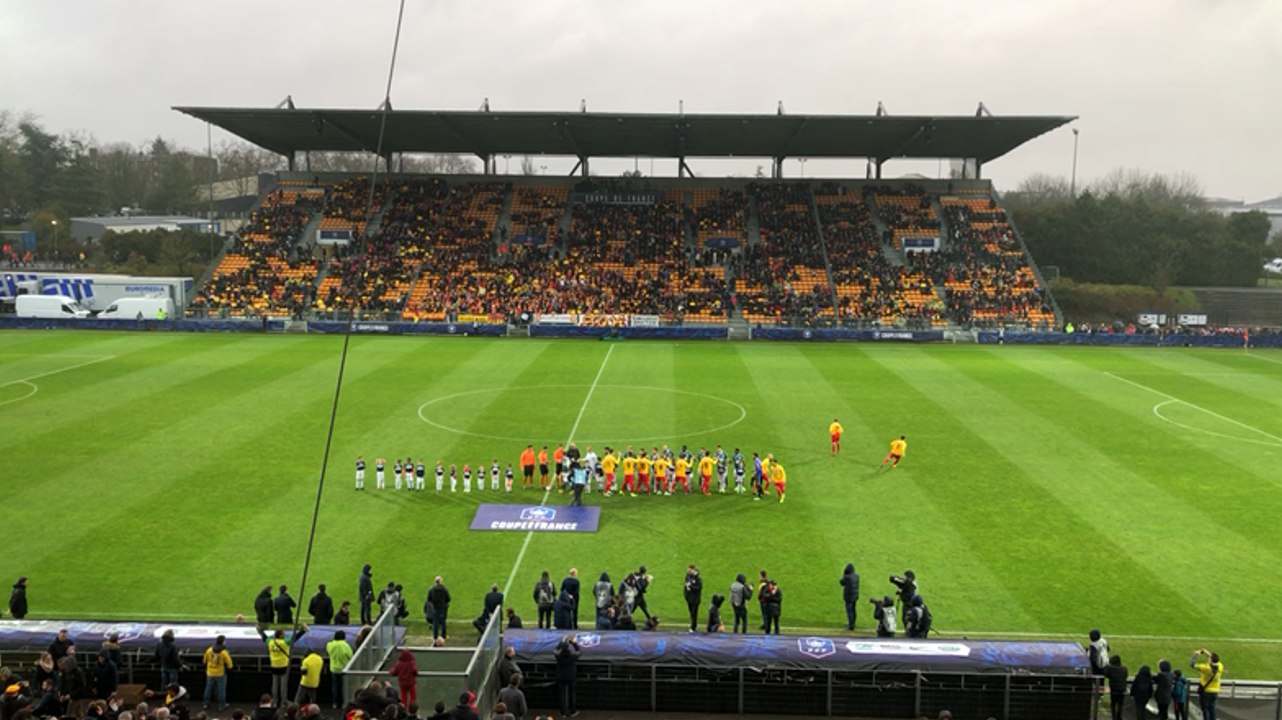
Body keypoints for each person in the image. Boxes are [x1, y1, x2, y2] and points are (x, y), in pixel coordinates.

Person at [257, 623, 308, 707]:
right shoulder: (285, 642)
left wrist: (260, 631)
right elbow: (295, 637)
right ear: (280, 635)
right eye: (283, 633)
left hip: (274, 665)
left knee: (274, 685)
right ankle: (283, 702)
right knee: (283, 686)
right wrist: (303, 630)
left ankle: (275, 701)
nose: (285, 634)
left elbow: (264, 637)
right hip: (283, 665)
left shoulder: (271, 642)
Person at [202, 635, 232, 711]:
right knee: (221, 690)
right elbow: (229, 665)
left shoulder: (209, 650)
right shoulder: (224, 652)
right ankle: (221, 705)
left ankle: (205, 704)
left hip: (210, 673)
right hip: (220, 673)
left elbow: (204, 661)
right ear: (223, 642)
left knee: (208, 689)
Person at [1190, 648, 1222, 720]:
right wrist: (1204, 652)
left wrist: (1195, 655)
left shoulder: (1206, 668)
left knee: (1205, 709)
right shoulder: (1220, 666)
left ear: (1210, 660)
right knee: (1212, 708)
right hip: (1215, 691)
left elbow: (1192, 664)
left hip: (1206, 691)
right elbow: (1213, 659)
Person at [554, 635, 580, 719]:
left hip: (561, 677)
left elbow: (555, 650)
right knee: (572, 694)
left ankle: (563, 712)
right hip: (571, 677)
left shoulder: (558, 656)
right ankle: (573, 711)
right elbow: (579, 651)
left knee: (562, 695)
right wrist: (574, 643)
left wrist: (561, 642)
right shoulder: (572, 656)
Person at [326, 631, 353, 709]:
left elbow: (328, 648)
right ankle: (343, 703)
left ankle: (335, 703)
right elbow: (350, 655)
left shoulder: (330, 645)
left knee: (335, 687)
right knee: (343, 687)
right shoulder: (346, 645)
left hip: (334, 669)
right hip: (343, 669)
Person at [1103, 655, 1129, 720]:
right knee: (1120, 704)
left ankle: (1114, 717)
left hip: (1114, 689)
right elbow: (1125, 676)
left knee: (1113, 704)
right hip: (1122, 689)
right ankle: (1119, 716)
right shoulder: (1124, 668)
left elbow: (1105, 673)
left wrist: (1106, 666)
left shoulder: (1110, 669)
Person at [426, 577, 451, 642]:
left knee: (435, 623)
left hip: (435, 608)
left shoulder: (431, 589)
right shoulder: (444, 589)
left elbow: (429, 599)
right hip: (443, 608)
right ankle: (443, 636)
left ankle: (435, 637)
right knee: (443, 622)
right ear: (441, 582)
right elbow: (448, 598)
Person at [840, 563, 860, 630]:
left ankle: (851, 625)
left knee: (849, 611)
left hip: (849, 596)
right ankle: (853, 623)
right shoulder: (856, 576)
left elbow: (841, 582)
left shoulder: (847, 577)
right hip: (855, 596)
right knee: (853, 610)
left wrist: (844, 575)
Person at [683, 565, 703, 633]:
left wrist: (691, 586)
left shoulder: (698, 579)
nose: (688, 571)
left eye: (689, 570)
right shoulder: (687, 576)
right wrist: (685, 595)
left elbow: (699, 588)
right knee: (691, 612)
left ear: (693, 570)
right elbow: (685, 585)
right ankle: (693, 624)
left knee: (694, 613)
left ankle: (693, 627)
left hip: (695, 599)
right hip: (689, 598)